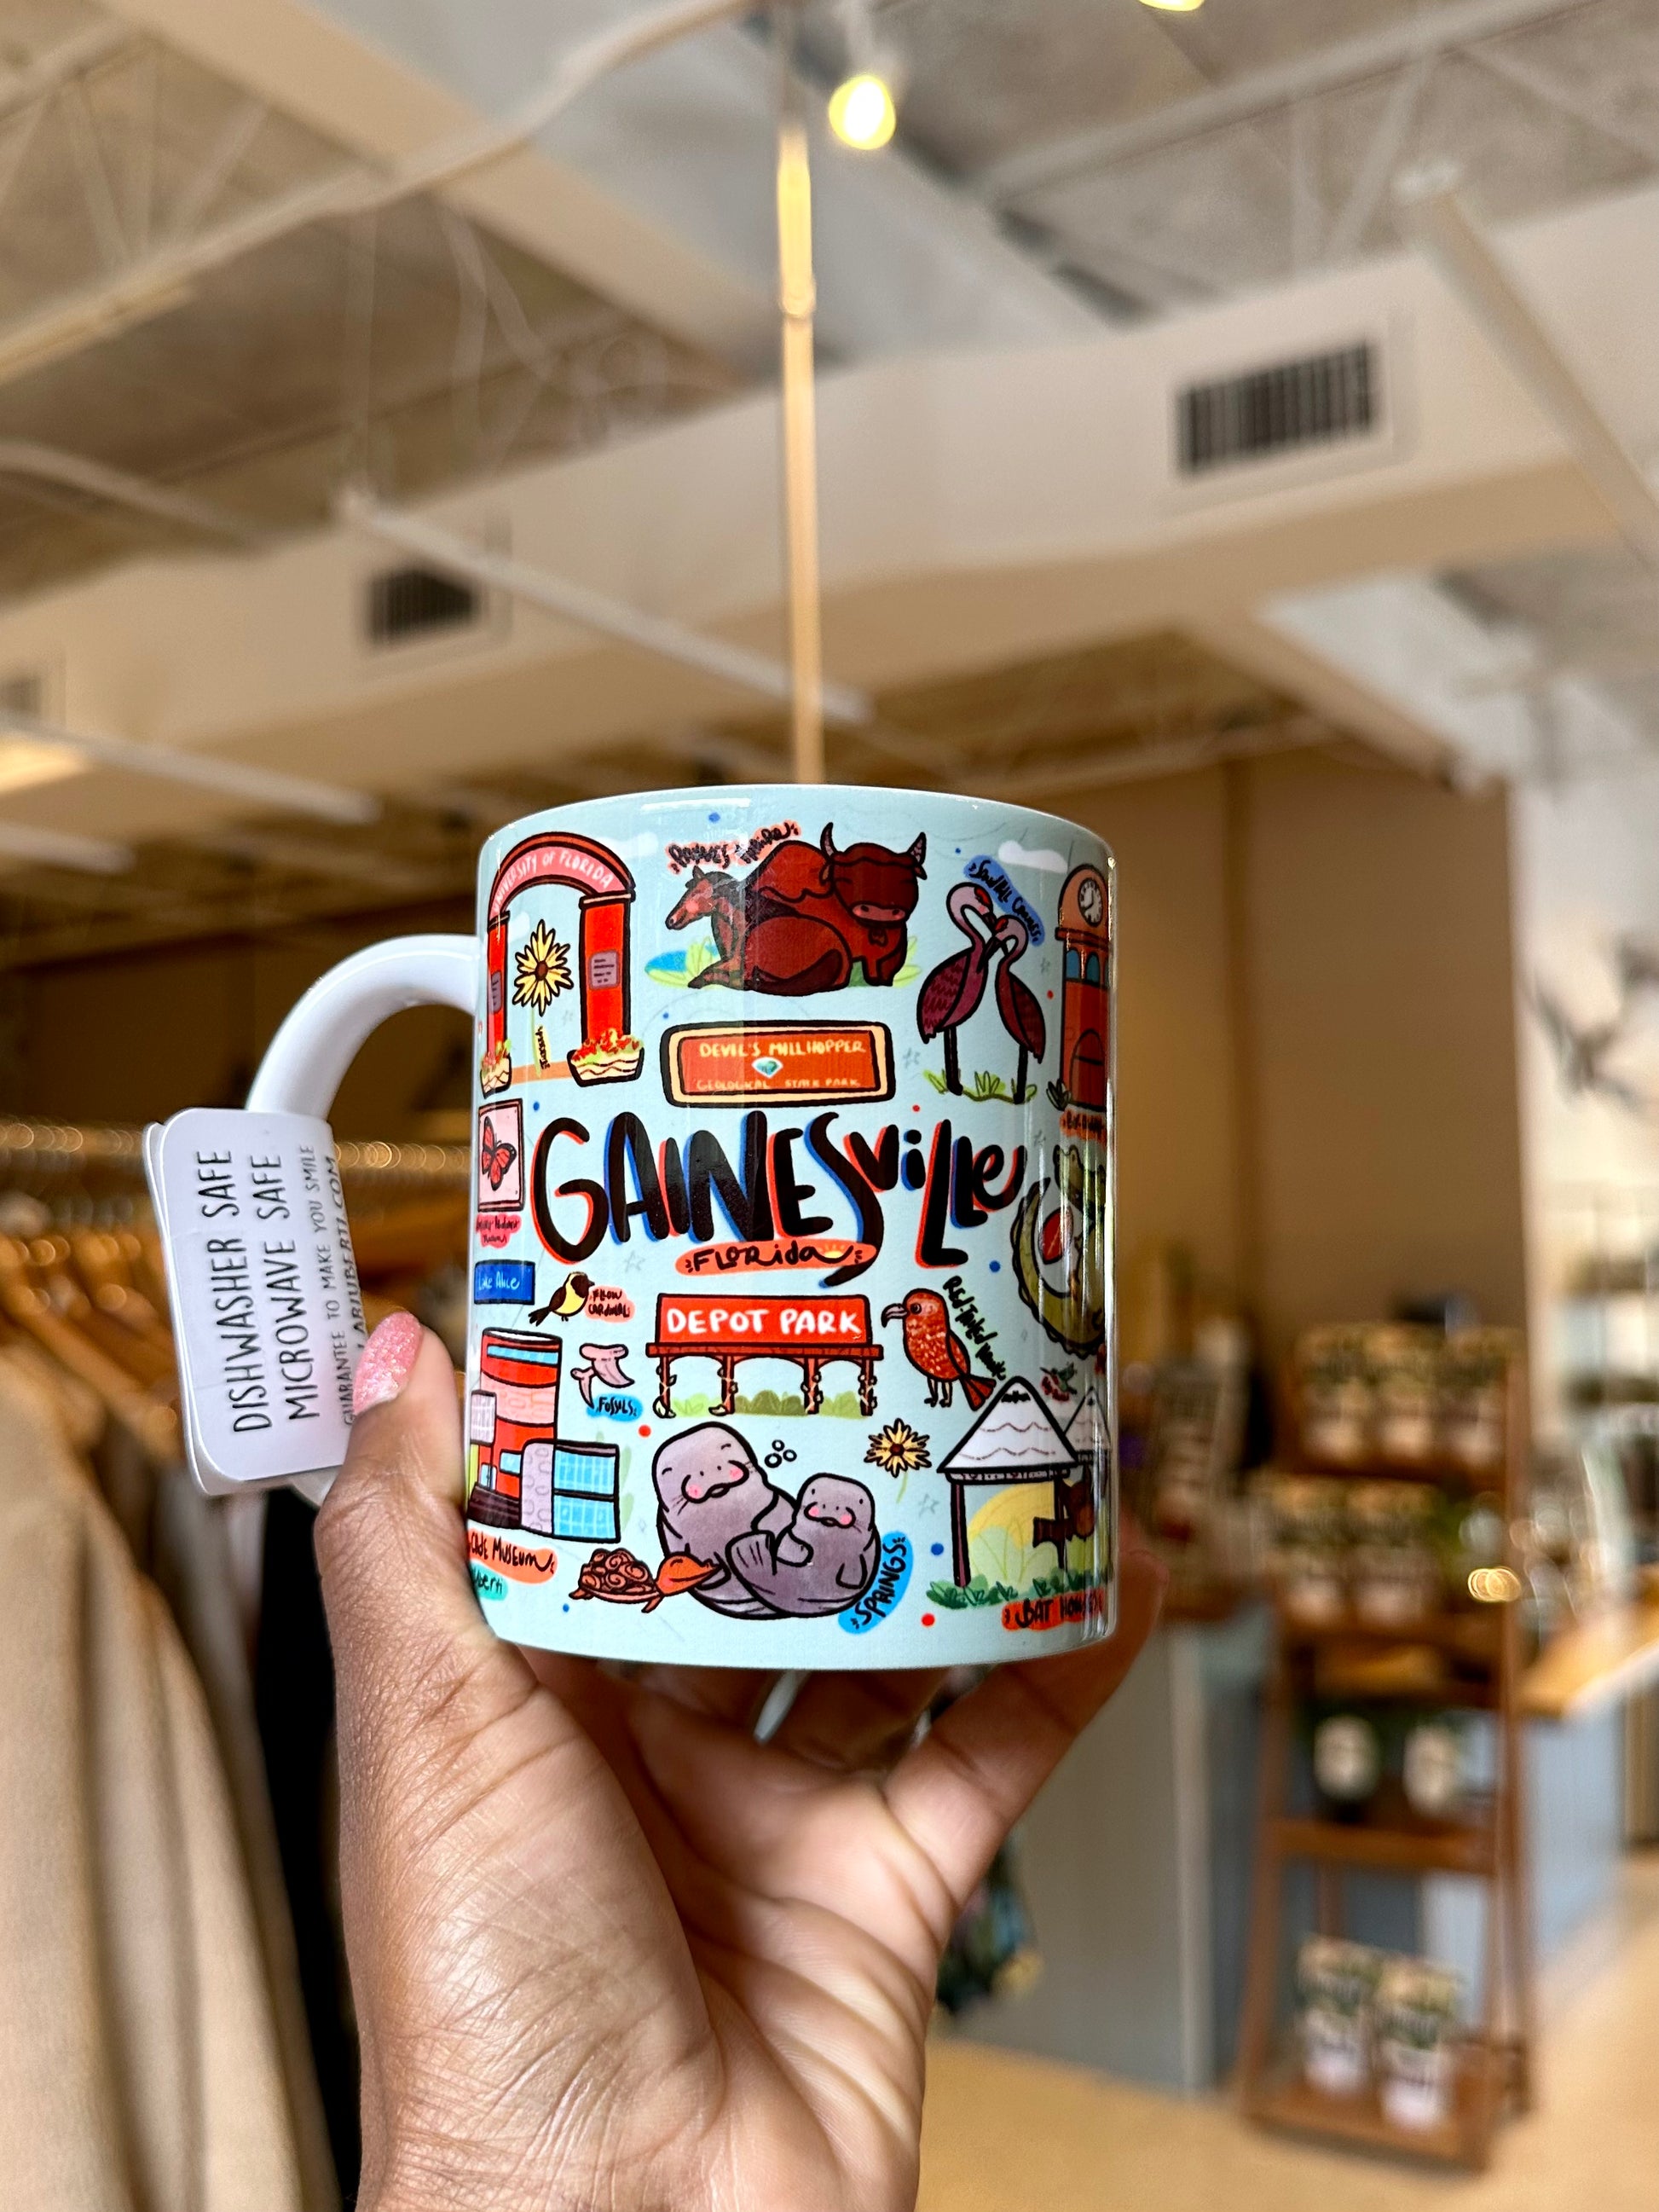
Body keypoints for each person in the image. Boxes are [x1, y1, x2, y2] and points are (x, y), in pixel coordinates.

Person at [317, 1313, 1165, 2212]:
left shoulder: (763, 1509)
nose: (728, 1477)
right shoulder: (707, 1529)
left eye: (734, 1468)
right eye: (707, 1477)